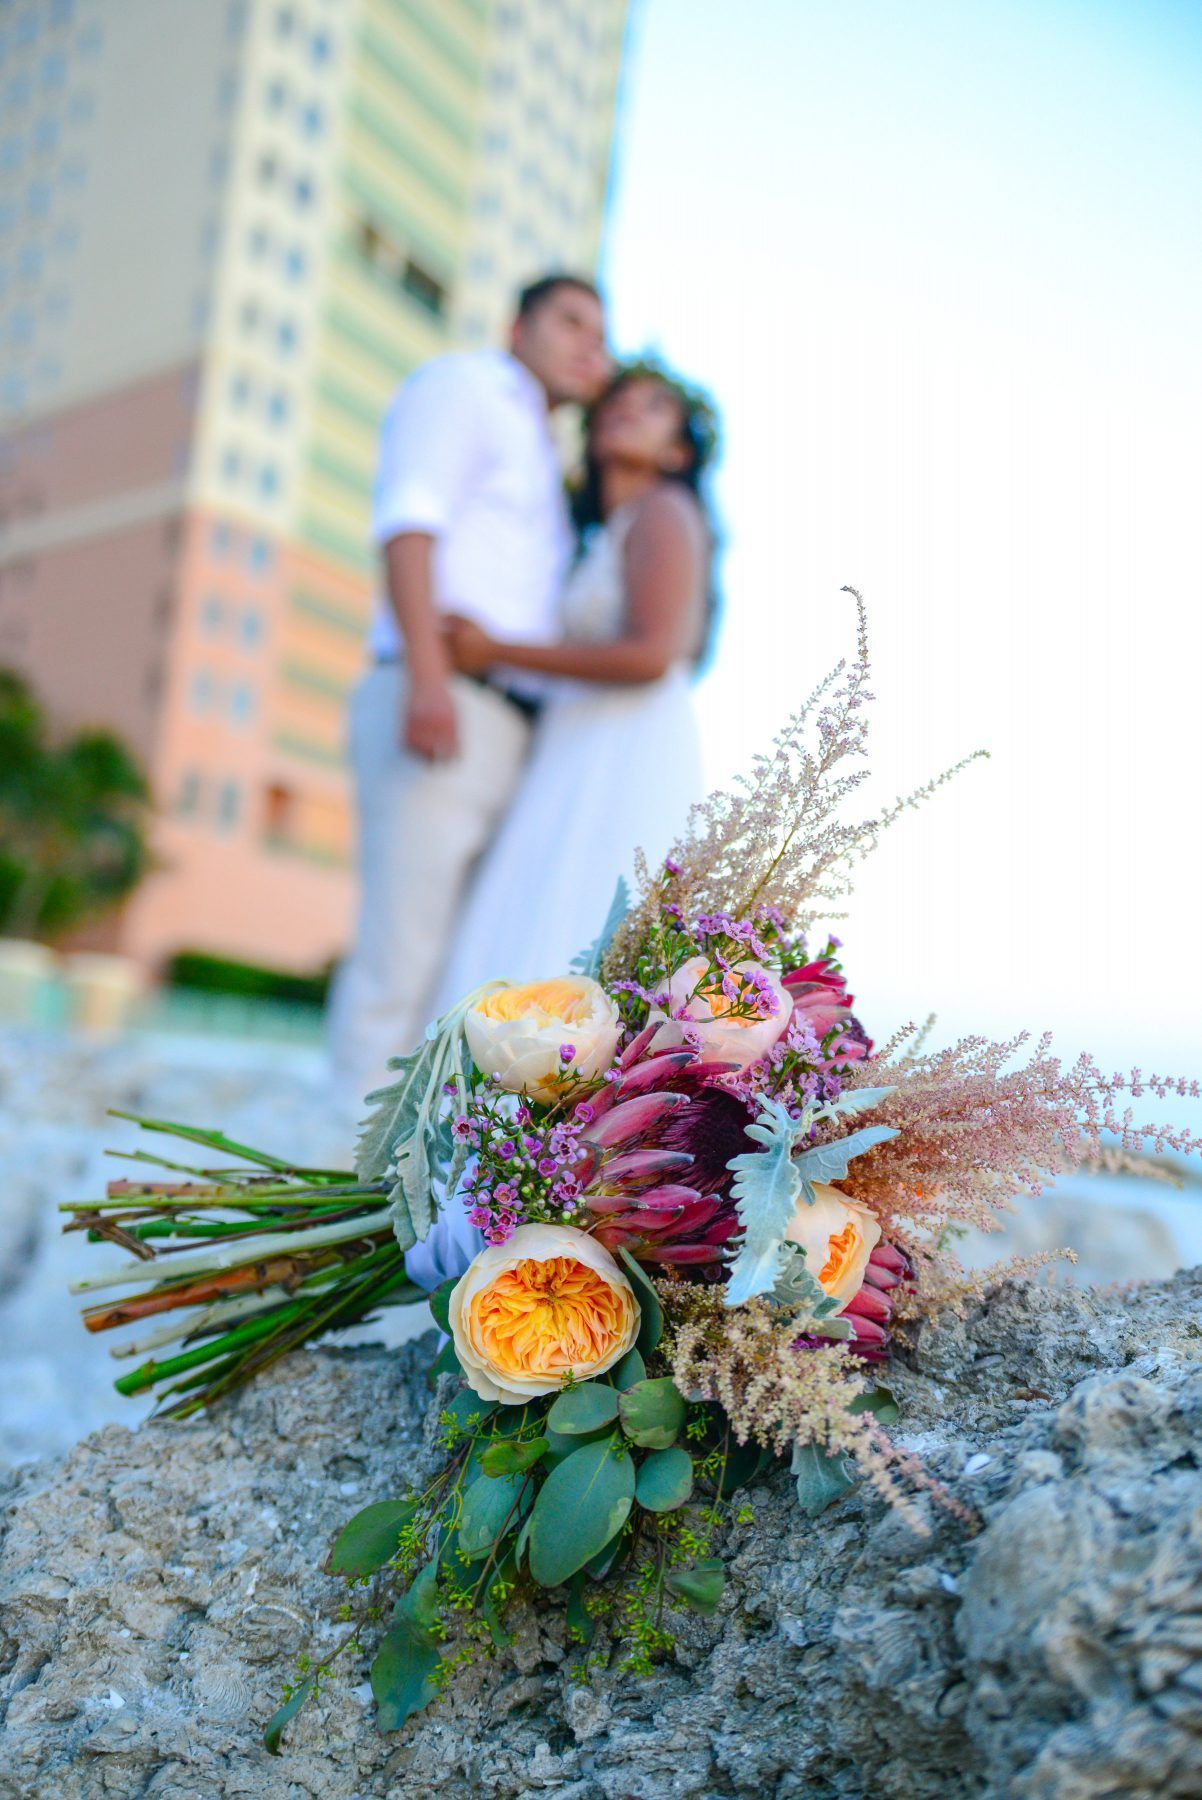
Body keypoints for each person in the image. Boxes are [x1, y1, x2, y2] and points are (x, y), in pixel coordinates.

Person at [327, 275, 610, 1110]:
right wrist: (427, 678)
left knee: (453, 971)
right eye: (569, 321)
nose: (588, 345)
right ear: (517, 325)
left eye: (600, 334)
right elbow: (408, 523)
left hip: (506, 725)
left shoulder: (544, 456)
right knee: (398, 961)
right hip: (443, 696)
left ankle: (393, 1185)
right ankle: (334, 1188)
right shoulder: (464, 389)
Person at [431, 360, 718, 1007]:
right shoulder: (598, 535)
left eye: (652, 408)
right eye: (616, 400)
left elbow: (653, 652)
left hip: (626, 743)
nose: (625, 410)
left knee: (584, 904)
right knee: (537, 898)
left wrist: (494, 650)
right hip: (573, 740)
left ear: (676, 453)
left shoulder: (665, 511)